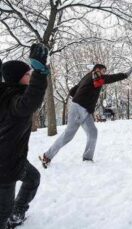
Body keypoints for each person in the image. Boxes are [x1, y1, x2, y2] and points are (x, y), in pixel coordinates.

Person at [39, 64, 132, 168]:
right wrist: (126, 74)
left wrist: (82, 95)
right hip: (81, 108)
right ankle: (52, 156)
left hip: (79, 108)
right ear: (97, 69)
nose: (104, 73)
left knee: (82, 133)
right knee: (80, 134)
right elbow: (111, 78)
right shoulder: (96, 74)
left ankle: (82, 158)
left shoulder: (86, 76)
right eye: (103, 70)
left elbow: (72, 90)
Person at [0, 43, 49, 229]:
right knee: (2, 213)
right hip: (5, 168)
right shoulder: (14, 101)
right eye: (28, 74)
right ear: (18, 79)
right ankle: (8, 218)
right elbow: (30, 102)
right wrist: (40, 72)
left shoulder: (6, 92)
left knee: (33, 178)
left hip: (14, 160)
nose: (31, 75)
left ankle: (17, 213)